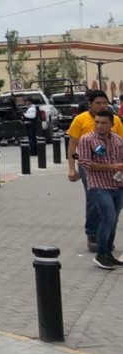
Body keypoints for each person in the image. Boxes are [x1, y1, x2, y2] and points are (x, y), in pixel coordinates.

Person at [67, 89, 123, 252]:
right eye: (98, 103)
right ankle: (92, 235)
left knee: (113, 205)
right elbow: (72, 144)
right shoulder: (80, 120)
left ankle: (105, 239)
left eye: (105, 103)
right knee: (94, 199)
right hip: (89, 166)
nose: (102, 106)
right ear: (90, 104)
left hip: (115, 167)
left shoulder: (115, 121)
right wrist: (71, 168)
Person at [77, 110, 123, 269]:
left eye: (103, 123)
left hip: (118, 185)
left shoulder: (118, 140)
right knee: (108, 216)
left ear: (112, 124)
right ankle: (100, 253)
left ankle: (108, 252)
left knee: (114, 219)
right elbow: (86, 164)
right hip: (98, 185)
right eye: (97, 122)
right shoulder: (87, 139)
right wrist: (112, 167)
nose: (99, 126)